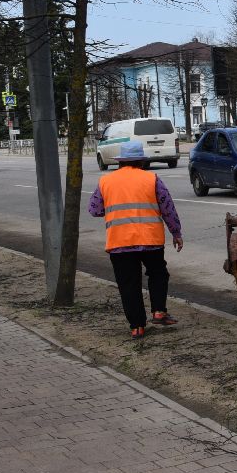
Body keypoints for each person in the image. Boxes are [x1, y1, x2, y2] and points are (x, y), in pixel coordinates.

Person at [89, 140, 184, 339]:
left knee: (128, 284)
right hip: (150, 239)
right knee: (158, 274)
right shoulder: (152, 179)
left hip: (119, 242)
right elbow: (168, 208)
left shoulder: (106, 181)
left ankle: (137, 327)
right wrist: (176, 233)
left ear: (120, 162)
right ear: (141, 161)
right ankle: (159, 311)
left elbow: (94, 210)